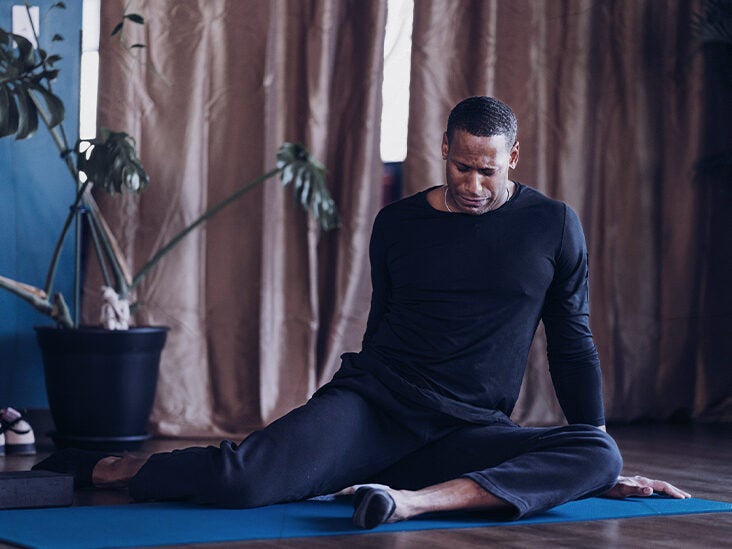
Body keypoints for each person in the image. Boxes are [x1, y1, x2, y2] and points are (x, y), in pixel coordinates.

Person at [34, 96, 689, 529]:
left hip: (469, 429)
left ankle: (406, 503)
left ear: (512, 158)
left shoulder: (553, 226)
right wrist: (332, 426)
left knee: (597, 450)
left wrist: (596, 453)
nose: (472, 184)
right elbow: (381, 331)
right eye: (462, 166)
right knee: (241, 479)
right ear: (445, 148)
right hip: (376, 408)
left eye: (487, 171)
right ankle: (104, 466)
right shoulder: (398, 223)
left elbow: (571, 343)